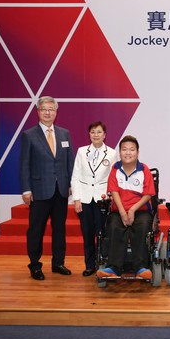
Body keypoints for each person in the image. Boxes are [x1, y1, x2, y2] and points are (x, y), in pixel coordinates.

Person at [20, 96, 74, 281]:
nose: (48, 112)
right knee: (36, 230)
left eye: (51, 109)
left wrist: (70, 185)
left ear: (56, 112)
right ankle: (35, 265)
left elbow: (69, 162)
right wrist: (26, 189)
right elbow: (24, 164)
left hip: (61, 191)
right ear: (38, 111)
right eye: (44, 109)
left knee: (59, 229)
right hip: (39, 190)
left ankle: (58, 263)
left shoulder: (64, 134)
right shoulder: (29, 135)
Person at [97, 135, 156, 280]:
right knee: (114, 225)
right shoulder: (115, 169)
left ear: (137, 152)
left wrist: (132, 210)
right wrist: (123, 212)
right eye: (124, 149)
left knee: (142, 226)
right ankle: (113, 267)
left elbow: (148, 194)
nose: (128, 153)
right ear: (120, 152)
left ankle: (141, 267)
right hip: (119, 210)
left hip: (140, 210)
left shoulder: (144, 169)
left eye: (132, 149)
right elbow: (114, 192)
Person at [71, 121, 118, 277]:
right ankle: (89, 265)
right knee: (87, 233)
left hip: (102, 199)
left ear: (104, 135)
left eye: (99, 132)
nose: (96, 135)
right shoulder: (81, 151)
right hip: (84, 199)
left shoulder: (111, 153)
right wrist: (76, 199)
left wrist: (111, 197)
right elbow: (76, 176)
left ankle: (102, 263)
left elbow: (114, 177)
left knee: (102, 233)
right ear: (89, 134)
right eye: (93, 132)